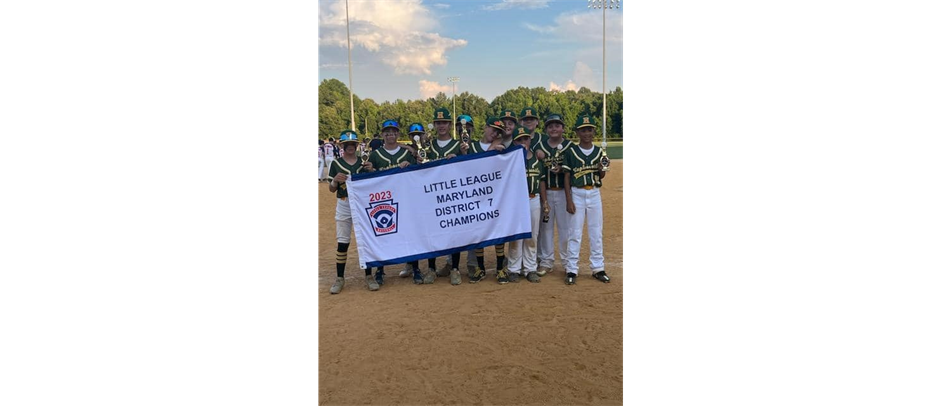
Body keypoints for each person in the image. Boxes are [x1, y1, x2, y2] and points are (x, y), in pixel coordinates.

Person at [363, 119, 424, 285]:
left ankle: (415, 267)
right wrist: (371, 170)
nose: (390, 135)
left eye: (394, 132)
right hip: (384, 203)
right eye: (387, 132)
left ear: (398, 134)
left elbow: (415, 176)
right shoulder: (375, 155)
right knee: (383, 235)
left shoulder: (407, 154)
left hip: (405, 200)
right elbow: (368, 180)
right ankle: (380, 270)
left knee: (410, 234)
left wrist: (409, 166)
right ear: (383, 134)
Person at [560, 115, 609, 285]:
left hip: (594, 193)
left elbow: (601, 175)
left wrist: (602, 168)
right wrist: (568, 200)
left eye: (589, 129)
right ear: (577, 132)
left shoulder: (598, 151)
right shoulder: (571, 152)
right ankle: (571, 269)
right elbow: (566, 176)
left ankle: (598, 268)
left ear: (593, 131)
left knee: (596, 232)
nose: (587, 133)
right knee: (575, 233)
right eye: (583, 130)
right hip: (577, 193)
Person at [328, 130, 378, 294]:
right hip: (344, 203)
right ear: (342, 146)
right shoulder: (336, 163)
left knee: (366, 240)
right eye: (347, 144)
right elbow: (331, 189)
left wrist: (372, 171)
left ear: (357, 146)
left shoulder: (363, 162)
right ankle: (340, 278)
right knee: (343, 242)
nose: (350, 147)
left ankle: (369, 276)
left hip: (362, 204)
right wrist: (335, 180)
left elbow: (373, 184)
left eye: (353, 144)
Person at [422, 108, 463, 285]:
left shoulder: (458, 145)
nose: (441, 126)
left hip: (453, 194)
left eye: (444, 122)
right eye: (438, 123)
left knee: (454, 231)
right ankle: (431, 268)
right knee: (432, 232)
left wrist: (460, 157)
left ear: (449, 124)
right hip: (432, 195)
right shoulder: (428, 147)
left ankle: (454, 268)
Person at [466, 117, 508, 283]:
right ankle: (480, 268)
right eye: (493, 129)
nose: (495, 133)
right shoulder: (472, 147)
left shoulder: (502, 147)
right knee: (479, 232)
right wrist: (491, 149)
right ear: (485, 127)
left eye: (498, 131)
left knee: (498, 230)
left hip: (494, 194)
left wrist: (497, 148)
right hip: (475, 195)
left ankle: (500, 268)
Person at [505, 126, 547, 284]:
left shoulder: (537, 159)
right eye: (519, 139)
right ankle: (514, 269)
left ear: (530, 139)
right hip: (516, 201)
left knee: (532, 235)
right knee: (516, 236)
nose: (523, 142)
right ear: (514, 142)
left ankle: (530, 268)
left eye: (526, 139)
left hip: (533, 198)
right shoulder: (510, 160)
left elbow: (542, 181)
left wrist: (545, 202)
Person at [535, 114, 574, 276]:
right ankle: (546, 261)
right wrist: (544, 201)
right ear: (546, 130)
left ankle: (566, 262)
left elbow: (575, 169)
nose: (553, 129)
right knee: (546, 229)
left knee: (566, 229)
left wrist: (564, 170)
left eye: (557, 125)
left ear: (563, 128)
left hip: (565, 193)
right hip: (547, 192)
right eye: (550, 126)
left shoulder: (571, 146)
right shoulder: (541, 147)